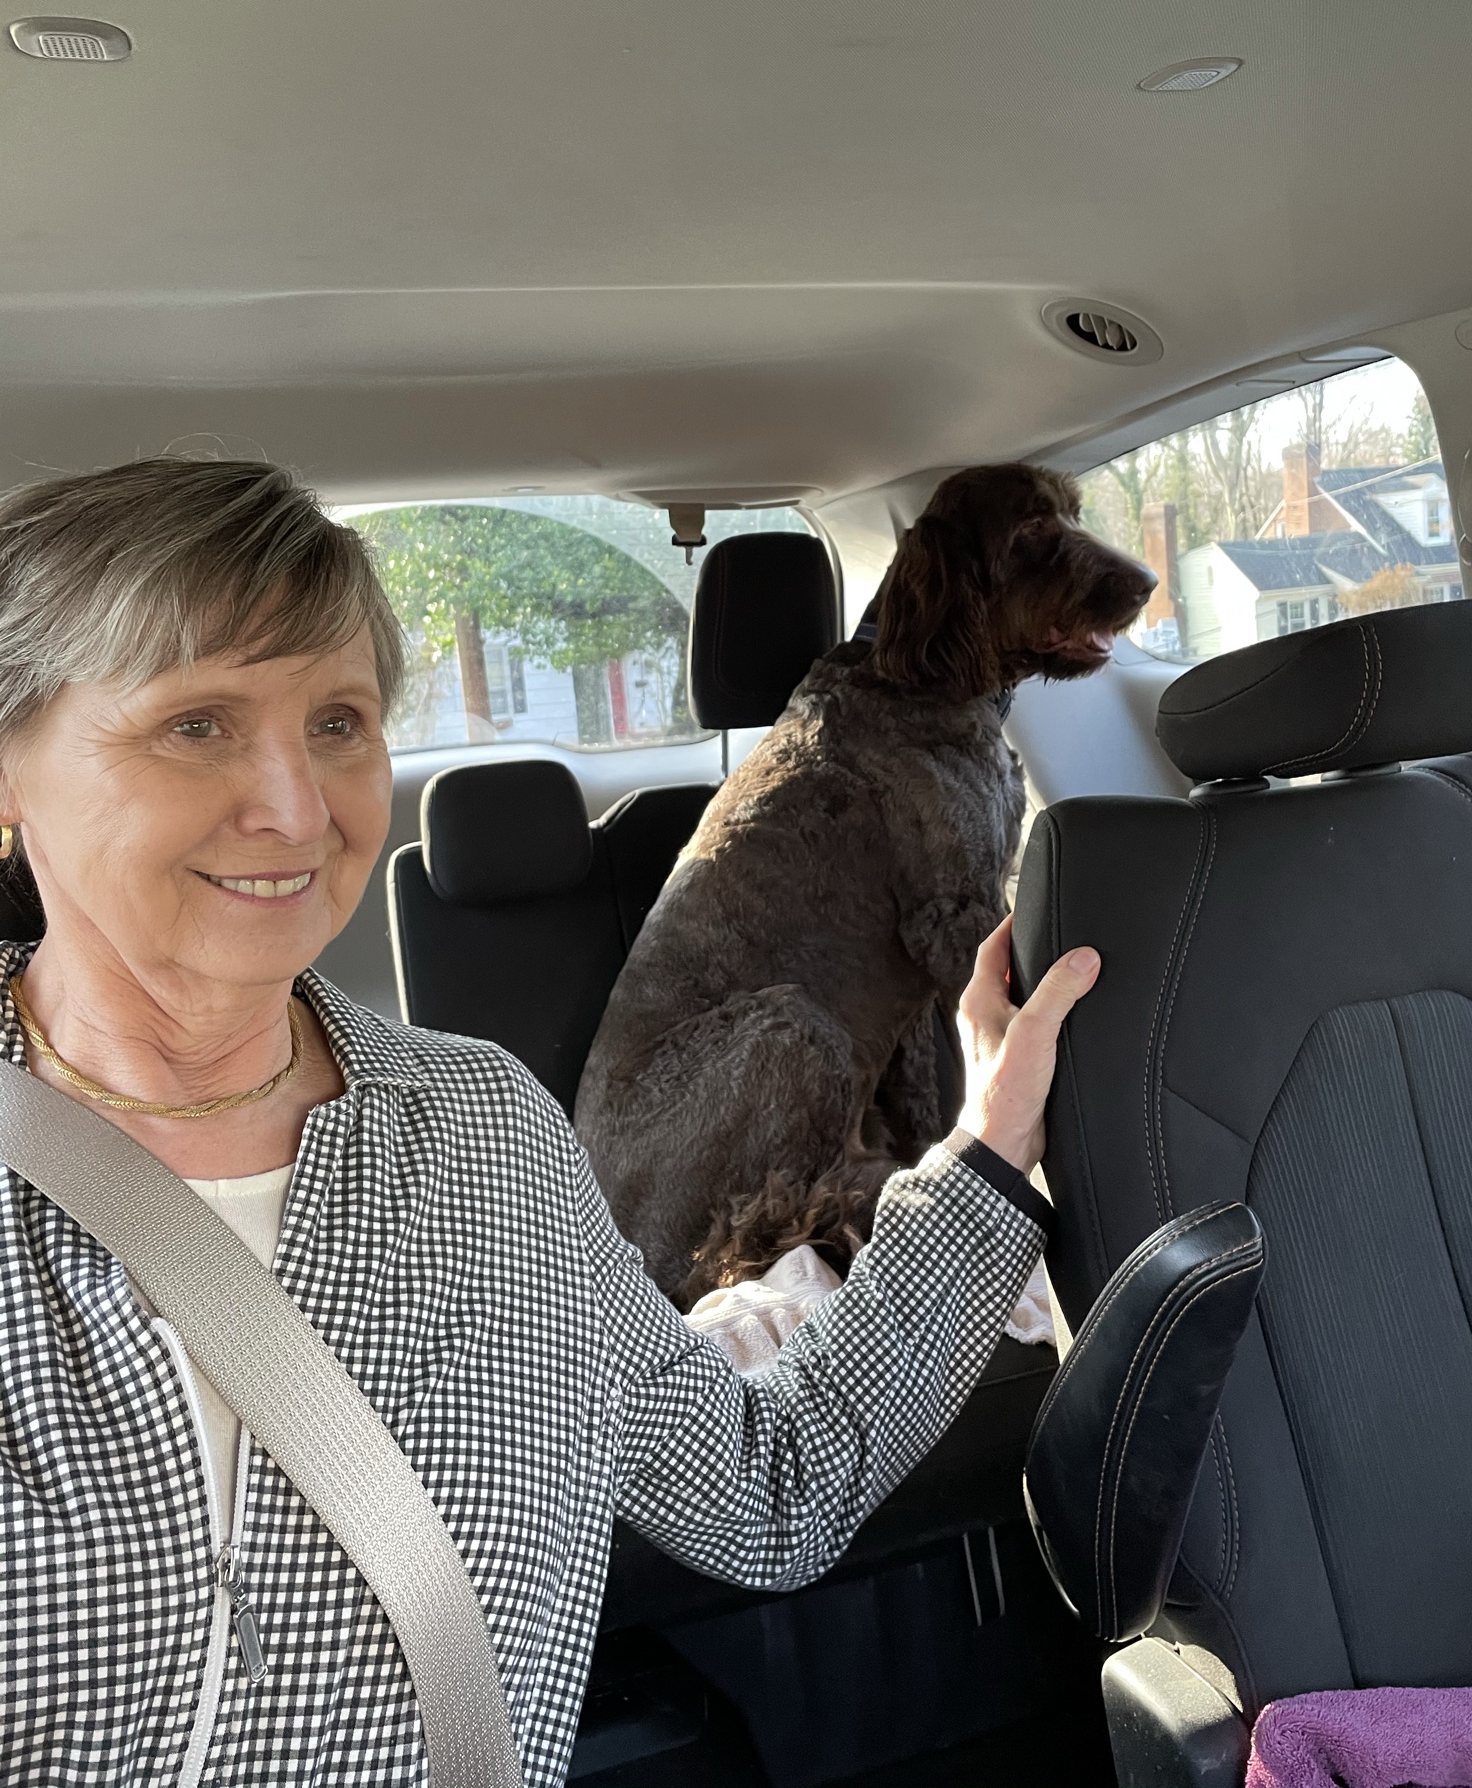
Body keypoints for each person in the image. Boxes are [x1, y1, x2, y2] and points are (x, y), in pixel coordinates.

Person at [0, 455, 1101, 1788]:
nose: (294, 807)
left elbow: (766, 1484)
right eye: (197, 724)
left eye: (339, 721)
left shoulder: (483, 1132)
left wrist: (983, 1160)